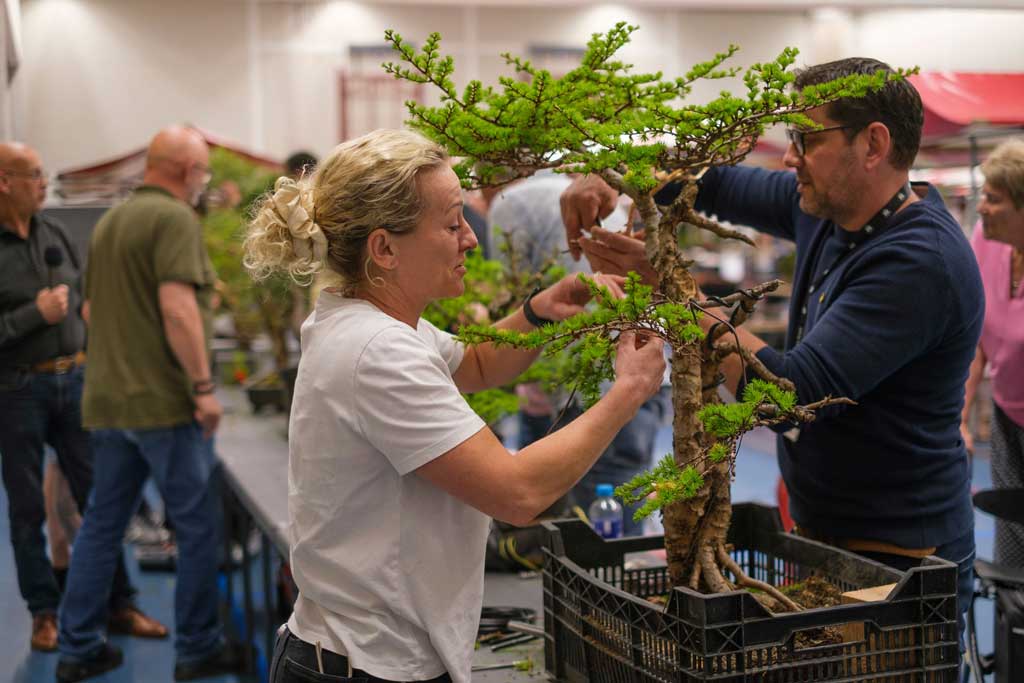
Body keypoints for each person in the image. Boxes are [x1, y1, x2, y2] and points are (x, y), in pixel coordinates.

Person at [560, 57, 981, 651]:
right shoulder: (830, 210)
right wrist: (613, 174)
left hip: (901, 560)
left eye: (806, 139)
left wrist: (671, 287)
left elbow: (787, 395)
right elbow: (709, 181)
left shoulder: (918, 261)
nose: (789, 158)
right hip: (823, 533)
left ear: (873, 144)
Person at [243, 128, 665, 683]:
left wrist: (538, 311)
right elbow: (518, 493)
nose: (470, 239)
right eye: (451, 224)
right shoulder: (378, 350)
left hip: (365, 653)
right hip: (367, 666)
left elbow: (477, 364)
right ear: (384, 249)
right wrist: (629, 390)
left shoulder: (369, 319)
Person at [56, 127, 243, 683]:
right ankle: (197, 649)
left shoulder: (111, 221)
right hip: (164, 405)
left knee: (101, 524)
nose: (204, 181)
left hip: (109, 401)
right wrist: (203, 388)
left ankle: (78, 647)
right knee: (196, 526)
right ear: (187, 171)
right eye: (202, 171)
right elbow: (178, 309)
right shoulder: (174, 219)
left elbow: (89, 312)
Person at [0, 142, 167, 653]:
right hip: (18, 389)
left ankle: (118, 604)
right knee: (27, 510)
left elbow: (82, 301)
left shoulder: (53, 234)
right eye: (34, 174)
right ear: (4, 182)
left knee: (101, 498)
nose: (43, 182)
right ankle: (44, 613)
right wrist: (35, 315)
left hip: (73, 381)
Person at [488, 171, 667, 533]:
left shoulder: (509, 204)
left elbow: (508, 298)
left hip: (587, 387)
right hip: (648, 366)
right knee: (621, 517)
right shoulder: (583, 191)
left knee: (592, 526)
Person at [963, 137, 1024, 568]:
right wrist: (960, 415)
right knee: (1012, 546)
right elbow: (974, 337)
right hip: (1006, 416)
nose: (981, 207)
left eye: (994, 199)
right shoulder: (984, 244)